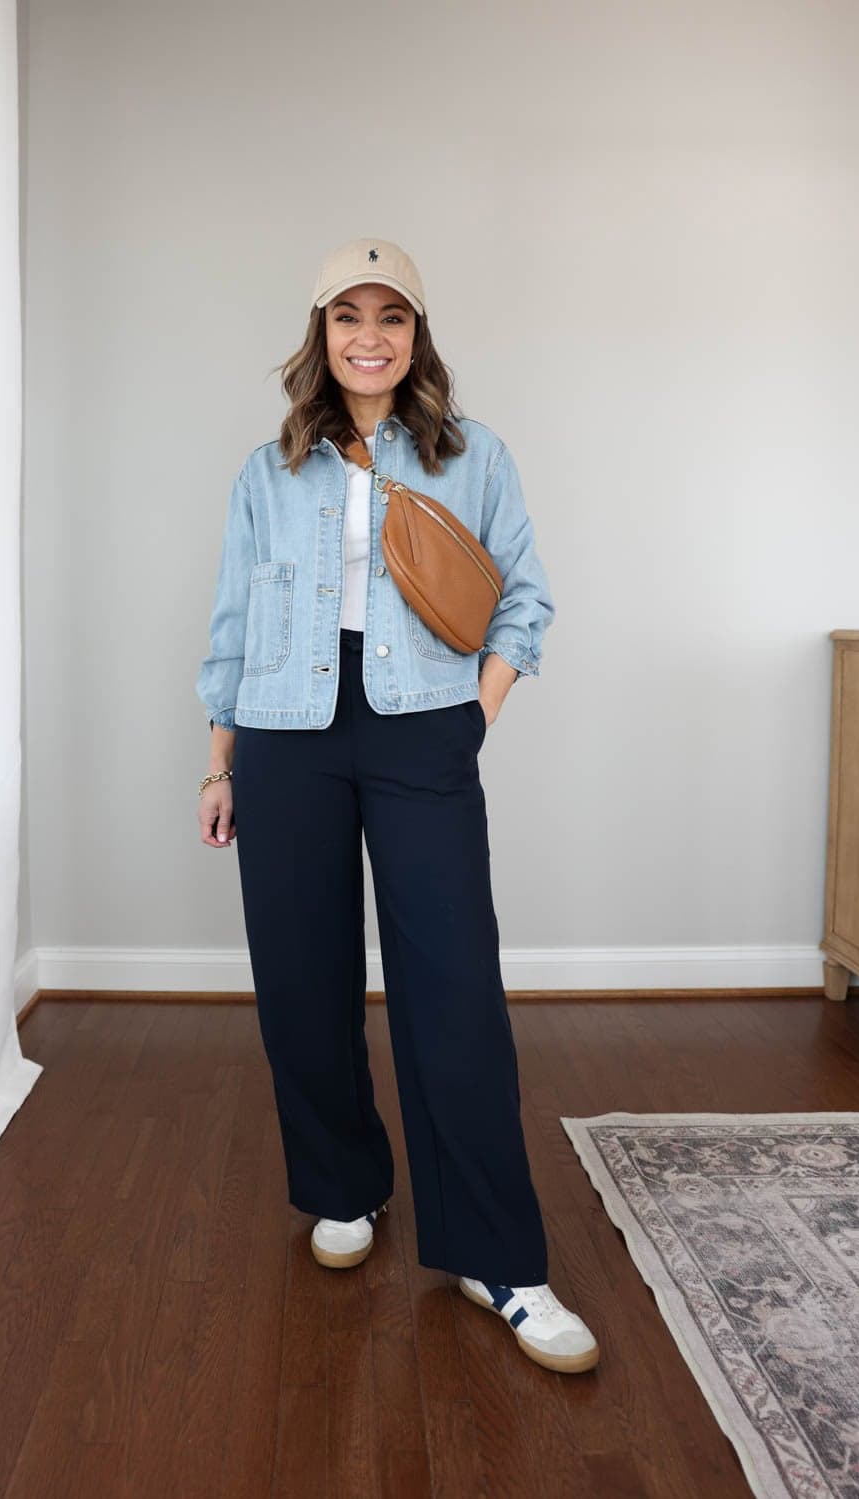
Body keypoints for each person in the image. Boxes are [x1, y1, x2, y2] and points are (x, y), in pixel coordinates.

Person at [195, 237, 599, 1374]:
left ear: (417, 336)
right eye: (345, 317)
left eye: (392, 316)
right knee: (301, 979)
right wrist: (220, 763)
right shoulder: (265, 471)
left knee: (454, 987)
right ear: (319, 336)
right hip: (283, 733)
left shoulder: (473, 456)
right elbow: (229, 630)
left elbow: (525, 594)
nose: (368, 336)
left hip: (422, 723)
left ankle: (497, 1258)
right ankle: (341, 1187)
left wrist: (474, 713)